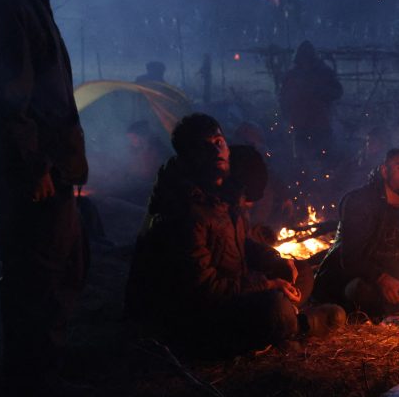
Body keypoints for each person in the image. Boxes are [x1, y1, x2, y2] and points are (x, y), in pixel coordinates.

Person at [0, 0, 89, 397]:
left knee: (59, 266)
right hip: (35, 171)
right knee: (36, 275)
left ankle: (44, 365)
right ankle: (33, 378)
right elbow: (9, 96)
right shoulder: (8, 2)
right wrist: (37, 164)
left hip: (49, 165)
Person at [126, 114, 344, 358]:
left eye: (219, 141)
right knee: (273, 308)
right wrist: (267, 284)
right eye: (205, 145)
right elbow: (205, 289)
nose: (216, 149)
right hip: (191, 316)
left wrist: (275, 262)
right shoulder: (181, 209)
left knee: (301, 272)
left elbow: (243, 242)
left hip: (231, 287)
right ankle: (298, 324)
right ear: (189, 156)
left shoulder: (222, 192)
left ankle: (284, 321)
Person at [312, 147, 399, 322]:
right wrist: (382, 279)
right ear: (384, 170)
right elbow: (350, 259)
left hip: (387, 278)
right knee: (363, 290)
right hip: (344, 281)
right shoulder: (360, 201)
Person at [277, 41, 343, 162]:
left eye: (307, 59)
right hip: (300, 126)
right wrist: (288, 116)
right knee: (301, 161)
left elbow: (337, 92)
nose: (305, 62)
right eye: (303, 59)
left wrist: (319, 91)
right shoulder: (293, 75)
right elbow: (283, 99)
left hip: (320, 124)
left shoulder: (323, 73)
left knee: (324, 159)